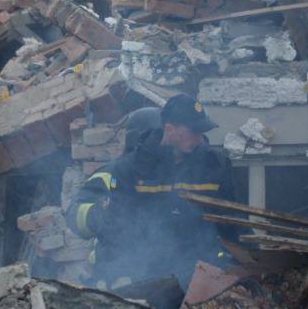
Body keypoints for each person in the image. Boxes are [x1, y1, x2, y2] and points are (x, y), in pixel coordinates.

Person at [65, 94, 238, 290]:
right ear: (169, 129)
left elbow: (233, 223)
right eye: (193, 132)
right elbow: (79, 218)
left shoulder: (213, 166)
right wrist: (103, 215)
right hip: (134, 277)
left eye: (201, 132)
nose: (199, 139)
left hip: (195, 278)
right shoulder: (122, 171)